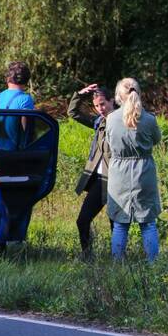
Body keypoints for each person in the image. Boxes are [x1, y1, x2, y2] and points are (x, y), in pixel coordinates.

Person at [106, 77, 162, 263]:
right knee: (148, 223)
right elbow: (156, 139)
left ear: (118, 96)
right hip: (143, 172)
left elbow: (108, 142)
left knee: (120, 225)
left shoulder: (111, 119)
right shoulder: (148, 119)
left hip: (118, 174)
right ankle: (153, 265)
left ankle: (118, 264)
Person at [67, 83, 115, 258]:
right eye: (96, 106)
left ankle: (119, 259)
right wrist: (80, 94)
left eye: (103, 104)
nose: (100, 108)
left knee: (115, 224)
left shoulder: (122, 120)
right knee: (82, 220)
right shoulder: (98, 122)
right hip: (99, 180)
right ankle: (87, 255)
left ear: (112, 101)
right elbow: (73, 113)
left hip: (115, 180)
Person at [0, 61, 35, 150]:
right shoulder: (25, 100)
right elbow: (27, 131)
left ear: (7, 78)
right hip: (17, 156)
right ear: (26, 80)